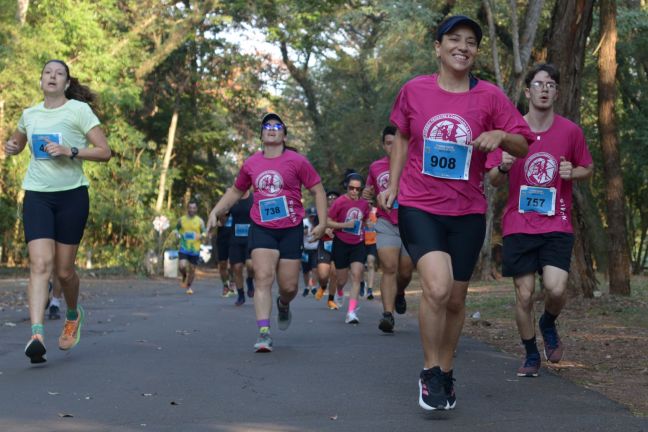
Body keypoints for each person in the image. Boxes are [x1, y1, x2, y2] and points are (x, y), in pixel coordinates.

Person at [382, 16, 533, 411]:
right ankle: (430, 371)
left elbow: (523, 146)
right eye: (454, 39)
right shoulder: (414, 90)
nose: (462, 46)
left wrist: (500, 135)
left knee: (456, 299)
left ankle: (446, 370)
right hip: (419, 204)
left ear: (476, 52)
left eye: (470, 42)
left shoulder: (490, 97)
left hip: (466, 210)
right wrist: (394, 185)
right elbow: (401, 135)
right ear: (438, 47)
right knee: (436, 287)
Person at [487, 63, 593, 377]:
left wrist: (572, 172)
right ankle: (531, 354)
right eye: (538, 84)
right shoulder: (512, 131)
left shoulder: (570, 131)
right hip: (519, 223)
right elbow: (492, 179)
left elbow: (587, 167)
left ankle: (547, 322)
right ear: (528, 90)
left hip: (556, 222)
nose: (544, 89)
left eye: (550, 84)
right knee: (523, 293)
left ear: (557, 92)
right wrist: (504, 166)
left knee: (556, 288)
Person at [4, 59, 111, 364]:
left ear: (66, 84)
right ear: (41, 81)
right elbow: (17, 142)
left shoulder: (78, 111)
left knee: (64, 271)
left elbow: (105, 152)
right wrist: (11, 147)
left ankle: (73, 314)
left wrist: (71, 151)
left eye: (59, 73)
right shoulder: (29, 114)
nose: (52, 76)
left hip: (72, 197)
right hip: (38, 195)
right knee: (40, 264)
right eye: (47, 72)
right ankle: (37, 335)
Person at [208, 113, 327, 352]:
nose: (272, 129)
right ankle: (264, 332)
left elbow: (318, 190)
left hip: (291, 228)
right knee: (263, 277)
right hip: (262, 227)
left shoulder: (297, 161)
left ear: (284, 134)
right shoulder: (251, 163)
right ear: (261, 134)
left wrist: (322, 223)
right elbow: (235, 191)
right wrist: (215, 211)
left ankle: (283, 304)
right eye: (267, 126)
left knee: (290, 286)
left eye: (277, 125)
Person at [364, 126, 415, 333]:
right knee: (389, 268)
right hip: (386, 223)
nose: (392, 147)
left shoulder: (413, 164)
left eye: (396, 142)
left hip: (411, 223)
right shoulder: (376, 167)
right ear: (383, 145)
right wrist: (368, 195)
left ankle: (400, 293)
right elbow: (370, 191)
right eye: (388, 143)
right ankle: (387, 314)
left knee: (405, 271)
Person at [327, 171, 371, 324]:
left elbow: (365, 220)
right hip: (341, 243)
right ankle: (339, 291)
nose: (354, 191)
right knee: (341, 279)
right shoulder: (339, 202)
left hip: (358, 243)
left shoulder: (365, 204)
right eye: (351, 188)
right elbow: (328, 221)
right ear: (347, 187)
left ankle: (351, 312)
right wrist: (344, 225)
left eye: (358, 189)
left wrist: (367, 225)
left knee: (357, 275)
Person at [227, 189, 255, 306]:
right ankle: (241, 295)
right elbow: (223, 220)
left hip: (251, 238)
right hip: (235, 238)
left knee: (250, 265)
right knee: (237, 267)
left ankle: (249, 280)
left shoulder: (254, 198)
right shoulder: (232, 199)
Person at [314, 191, 341, 310]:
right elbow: (315, 228)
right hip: (324, 246)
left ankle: (330, 300)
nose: (332, 200)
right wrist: (323, 230)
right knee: (323, 275)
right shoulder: (321, 212)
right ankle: (323, 286)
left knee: (334, 273)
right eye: (329, 198)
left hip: (338, 245)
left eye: (335, 198)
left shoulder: (343, 212)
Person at [175, 201, 206, 295]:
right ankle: (184, 275)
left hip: (195, 249)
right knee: (182, 266)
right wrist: (176, 233)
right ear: (187, 208)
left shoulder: (200, 221)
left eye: (194, 208)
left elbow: (204, 232)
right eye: (190, 208)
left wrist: (201, 236)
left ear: (196, 209)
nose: (192, 209)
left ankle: (188, 286)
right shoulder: (181, 220)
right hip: (184, 247)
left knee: (192, 269)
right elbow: (176, 229)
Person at [301, 207, 319, 297]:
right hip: (305, 250)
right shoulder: (304, 222)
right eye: (311, 216)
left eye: (314, 216)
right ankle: (307, 287)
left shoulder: (318, 223)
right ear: (308, 216)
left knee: (315, 269)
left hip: (315, 249)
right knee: (305, 271)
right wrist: (303, 232)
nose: (312, 218)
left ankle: (314, 287)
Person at [216, 213, 235, 297]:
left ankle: (232, 283)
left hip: (235, 239)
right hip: (222, 239)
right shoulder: (220, 209)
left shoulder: (237, 207)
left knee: (232, 265)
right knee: (222, 264)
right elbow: (214, 224)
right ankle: (225, 285)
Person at [361, 205, 377, 299]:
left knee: (371, 263)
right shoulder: (360, 210)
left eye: (371, 201)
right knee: (360, 266)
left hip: (373, 242)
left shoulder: (377, 211)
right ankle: (362, 283)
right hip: (361, 241)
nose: (368, 203)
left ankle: (370, 290)